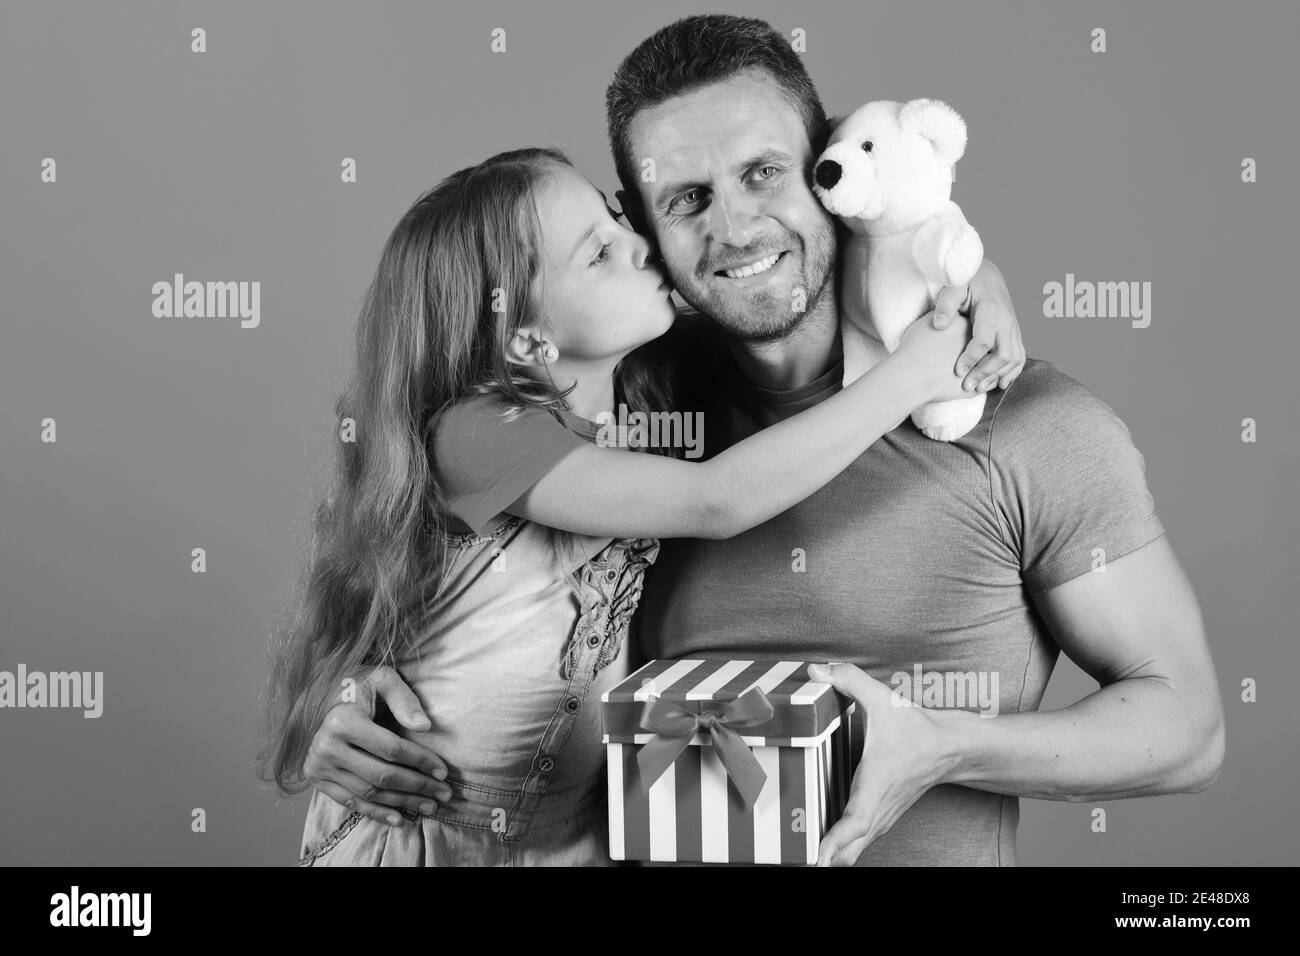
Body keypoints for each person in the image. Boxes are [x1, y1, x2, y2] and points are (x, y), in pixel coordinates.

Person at [290, 13, 1223, 867]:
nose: (734, 227)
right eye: (686, 198)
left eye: (764, 173)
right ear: (645, 226)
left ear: (831, 171)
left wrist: (951, 748)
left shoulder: (1026, 425)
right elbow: (457, 573)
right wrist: (365, 708)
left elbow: (1188, 726)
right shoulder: (641, 412)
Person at [259, 144, 1010, 866]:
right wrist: (913, 375)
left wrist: (971, 279)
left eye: (617, 222)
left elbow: (815, 269)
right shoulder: (477, 433)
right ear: (525, 338)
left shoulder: (642, 400)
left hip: (574, 843)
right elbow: (719, 501)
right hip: (426, 839)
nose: (641, 247)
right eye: (599, 253)